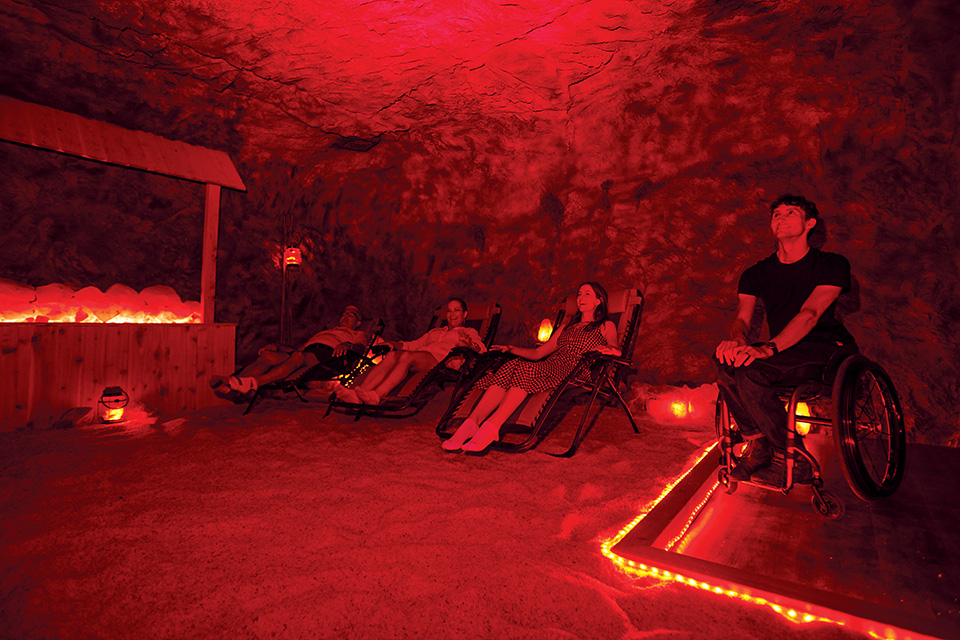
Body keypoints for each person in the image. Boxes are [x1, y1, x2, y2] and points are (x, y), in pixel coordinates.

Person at [714, 194, 856, 481]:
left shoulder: (832, 265)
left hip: (825, 348)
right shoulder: (756, 273)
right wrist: (738, 342)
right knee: (726, 361)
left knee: (752, 372)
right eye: (776, 214)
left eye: (791, 213)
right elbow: (742, 318)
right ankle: (758, 444)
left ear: (809, 224)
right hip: (783, 350)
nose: (780, 218)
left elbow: (810, 313)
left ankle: (791, 455)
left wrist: (768, 348)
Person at [443, 282, 621, 454]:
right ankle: (471, 423)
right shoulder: (566, 327)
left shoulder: (605, 325)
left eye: (587, 294)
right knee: (512, 364)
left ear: (599, 300)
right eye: (579, 294)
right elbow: (540, 353)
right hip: (550, 365)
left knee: (526, 369)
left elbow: (615, 348)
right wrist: (512, 349)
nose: (581, 297)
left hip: (574, 369)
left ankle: (493, 426)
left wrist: (606, 350)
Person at [333, 298, 485, 406]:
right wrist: (394, 344)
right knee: (392, 354)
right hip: (419, 355)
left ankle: (376, 396)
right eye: (449, 311)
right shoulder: (435, 331)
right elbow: (413, 345)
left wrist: (469, 344)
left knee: (406, 356)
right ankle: (358, 394)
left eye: (456, 310)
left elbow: (482, 348)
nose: (452, 314)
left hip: (443, 360)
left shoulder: (468, 331)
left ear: (465, 314)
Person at [211, 305, 368, 397]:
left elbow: (361, 348)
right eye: (344, 314)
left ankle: (254, 383)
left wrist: (348, 345)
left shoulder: (357, 334)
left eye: (351, 315)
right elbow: (297, 349)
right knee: (269, 355)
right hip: (308, 352)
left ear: (358, 322)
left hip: (329, 357)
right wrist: (278, 347)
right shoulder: (324, 332)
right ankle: (231, 382)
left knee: (299, 357)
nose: (346, 316)